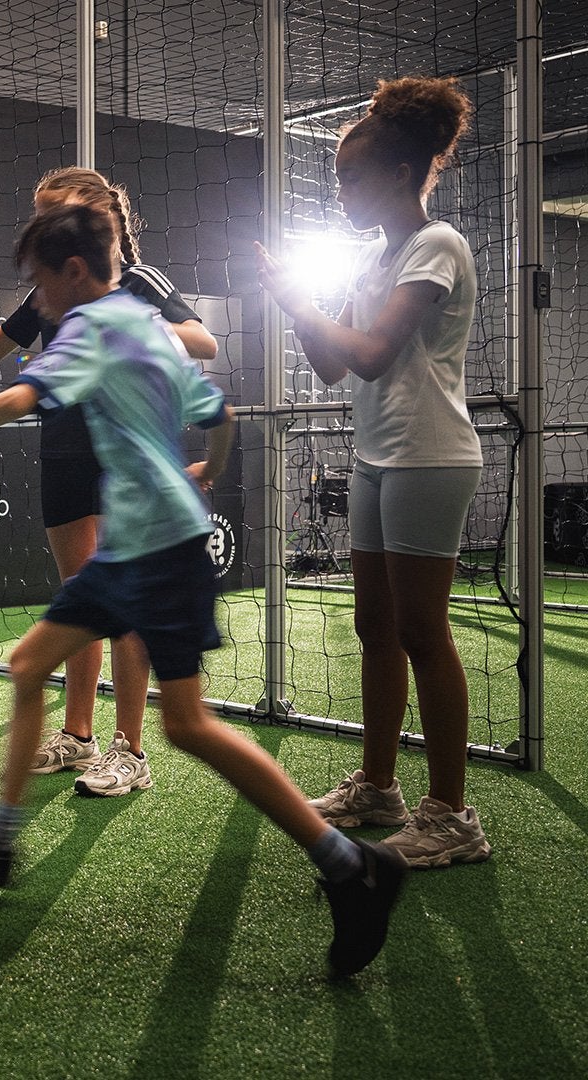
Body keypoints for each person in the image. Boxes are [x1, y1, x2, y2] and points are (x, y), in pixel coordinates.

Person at [0, 202, 406, 978]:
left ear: (74, 272)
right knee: (27, 664)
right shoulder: (146, 324)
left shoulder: (90, 326)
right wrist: (208, 469)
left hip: (156, 552)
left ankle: (352, 863)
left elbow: (18, 398)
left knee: (188, 725)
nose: (37, 301)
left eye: (40, 284)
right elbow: (221, 412)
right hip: (141, 543)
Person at [0, 166, 220, 798]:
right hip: (62, 451)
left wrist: (128, 330)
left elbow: (204, 341)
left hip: (122, 456)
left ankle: (129, 748)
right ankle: (79, 736)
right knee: (80, 597)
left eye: (50, 211)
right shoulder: (50, 292)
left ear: (91, 214)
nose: (40, 226)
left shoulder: (135, 283)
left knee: (127, 603)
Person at [259, 75, 489, 868]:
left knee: (424, 629)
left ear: (399, 172)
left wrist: (306, 302)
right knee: (373, 627)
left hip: (431, 457)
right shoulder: (372, 259)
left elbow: (374, 351)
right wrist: (294, 305)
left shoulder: (437, 244)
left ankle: (453, 815)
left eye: (351, 175)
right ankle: (381, 785)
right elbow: (333, 368)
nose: (342, 189)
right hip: (375, 458)